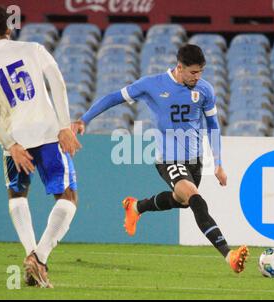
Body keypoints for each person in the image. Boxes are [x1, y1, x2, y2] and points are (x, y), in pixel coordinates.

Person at [73, 44, 249, 273]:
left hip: (195, 161)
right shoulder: (152, 84)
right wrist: (84, 119)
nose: (198, 77)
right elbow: (114, 97)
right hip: (168, 159)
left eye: (201, 72)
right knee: (195, 198)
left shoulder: (205, 90)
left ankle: (136, 206)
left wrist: (218, 163)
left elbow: (212, 125)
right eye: (193, 72)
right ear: (180, 68)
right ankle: (229, 255)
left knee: (182, 200)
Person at [0, 5, 82, 288]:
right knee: (67, 199)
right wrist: (64, 125)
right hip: (47, 133)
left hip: (15, 142)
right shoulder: (33, 48)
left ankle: (31, 253)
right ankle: (39, 258)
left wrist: (10, 143)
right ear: (9, 28)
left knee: (17, 195)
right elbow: (57, 80)